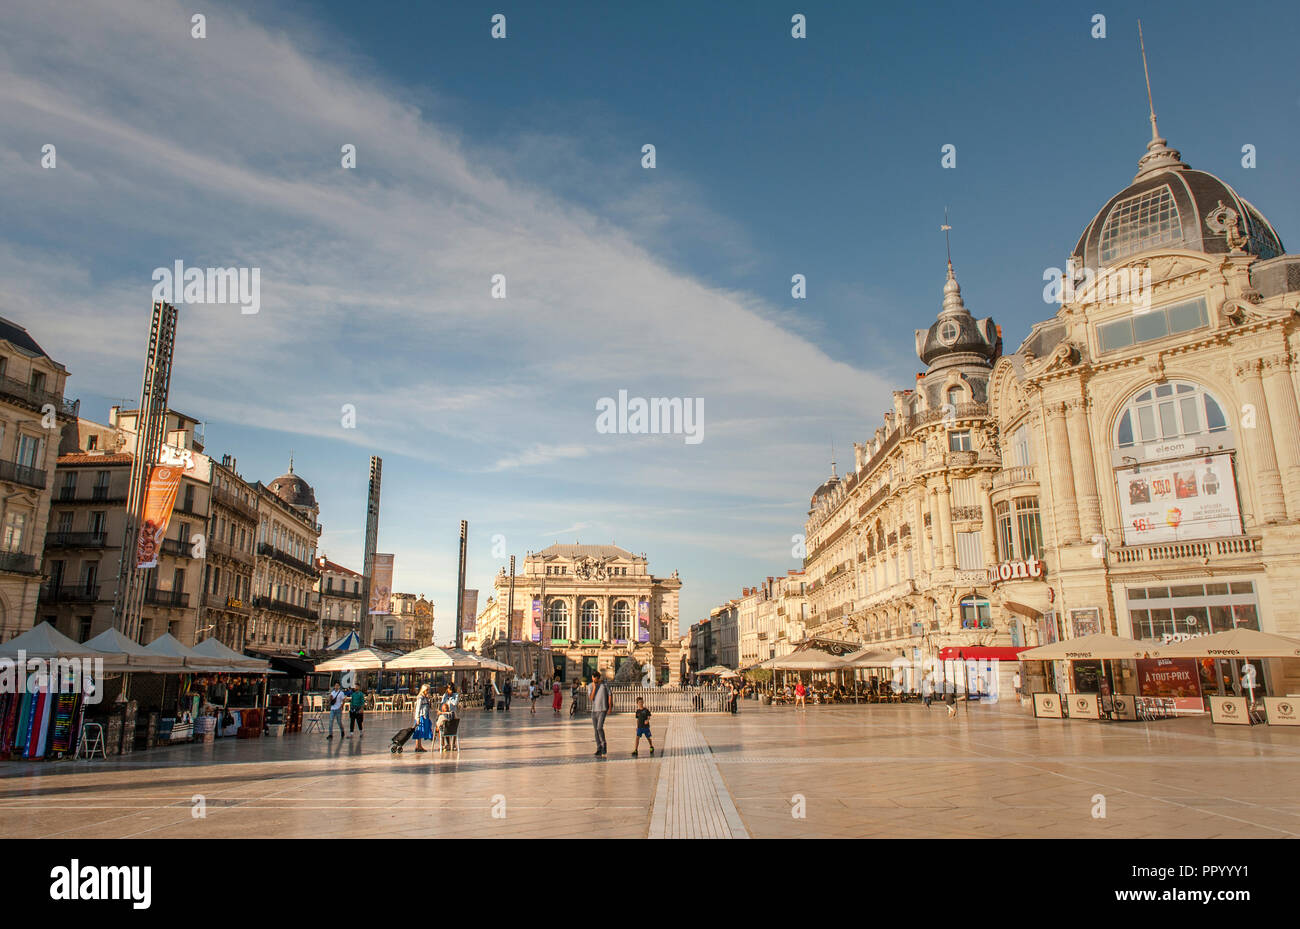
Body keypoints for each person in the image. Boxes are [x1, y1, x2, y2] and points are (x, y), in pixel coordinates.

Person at [589, 673, 610, 756]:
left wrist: (610, 706)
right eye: (593, 678)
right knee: (596, 730)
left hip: (603, 709)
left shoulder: (604, 685)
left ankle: (604, 744)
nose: (594, 679)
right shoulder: (590, 686)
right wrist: (594, 687)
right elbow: (591, 698)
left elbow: (610, 694)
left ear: (598, 678)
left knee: (599, 727)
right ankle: (599, 748)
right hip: (594, 711)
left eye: (595, 678)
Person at [412, 684, 434, 752]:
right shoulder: (420, 697)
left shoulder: (425, 697)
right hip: (421, 716)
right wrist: (417, 717)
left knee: (421, 731)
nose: (428, 691)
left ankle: (419, 746)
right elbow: (418, 708)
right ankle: (417, 746)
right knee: (419, 730)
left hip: (425, 716)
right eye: (427, 690)